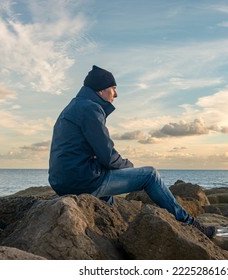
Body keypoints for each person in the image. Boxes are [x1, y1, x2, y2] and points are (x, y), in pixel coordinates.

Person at [48, 65, 216, 238]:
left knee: (109, 195)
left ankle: (113, 232)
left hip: (62, 180)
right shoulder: (90, 109)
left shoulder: (73, 107)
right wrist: (128, 166)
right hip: (82, 180)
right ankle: (189, 223)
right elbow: (107, 155)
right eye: (113, 89)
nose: (116, 94)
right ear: (100, 91)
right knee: (150, 175)